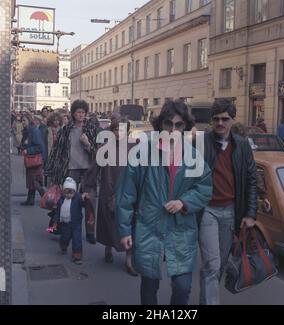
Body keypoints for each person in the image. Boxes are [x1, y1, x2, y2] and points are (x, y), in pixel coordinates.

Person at [116, 100, 213, 305]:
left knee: (182, 287)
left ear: (185, 126)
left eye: (179, 125)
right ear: (161, 125)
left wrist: (184, 202)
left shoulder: (194, 156)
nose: (173, 130)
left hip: (181, 229)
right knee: (149, 285)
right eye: (169, 124)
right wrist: (124, 230)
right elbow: (126, 194)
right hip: (149, 226)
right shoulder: (142, 153)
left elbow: (204, 188)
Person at [199, 99, 257, 305]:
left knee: (219, 264)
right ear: (211, 121)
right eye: (216, 119)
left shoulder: (242, 145)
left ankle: (205, 298)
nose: (221, 123)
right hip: (207, 210)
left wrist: (250, 214)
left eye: (225, 119)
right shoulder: (201, 142)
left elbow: (251, 180)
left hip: (231, 211)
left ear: (233, 120)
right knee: (213, 265)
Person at [82, 115, 138, 276]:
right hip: (109, 189)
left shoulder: (134, 147)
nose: (118, 133)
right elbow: (94, 169)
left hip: (129, 192)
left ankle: (129, 259)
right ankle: (108, 248)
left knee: (130, 223)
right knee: (109, 223)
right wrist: (87, 187)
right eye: (115, 129)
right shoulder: (104, 148)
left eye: (122, 129)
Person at [46, 100, 97, 244]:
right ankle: (65, 228)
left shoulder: (91, 129)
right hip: (71, 169)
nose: (81, 115)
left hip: (88, 170)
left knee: (90, 201)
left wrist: (87, 144)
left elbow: (98, 152)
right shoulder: (66, 129)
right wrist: (53, 171)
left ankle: (90, 232)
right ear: (73, 114)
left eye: (83, 112)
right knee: (68, 200)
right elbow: (57, 151)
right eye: (78, 112)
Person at [52, 177, 91, 265]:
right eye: (66, 193)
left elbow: (83, 204)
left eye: (71, 193)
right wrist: (55, 222)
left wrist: (85, 198)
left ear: (75, 191)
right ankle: (63, 246)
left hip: (76, 224)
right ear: (63, 192)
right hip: (65, 223)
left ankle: (77, 256)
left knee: (77, 240)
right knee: (65, 237)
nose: (69, 195)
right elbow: (58, 212)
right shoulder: (61, 200)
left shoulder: (78, 198)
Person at [20, 113, 47, 206]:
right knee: (32, 180)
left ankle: (46, 198)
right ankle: (30, 199)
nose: (23, 122)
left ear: (29, 120)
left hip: (36, 159)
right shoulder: (27, 131)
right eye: (22, 120)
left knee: (34, 181)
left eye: (24, 120)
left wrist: (28, 150)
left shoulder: (33, 131)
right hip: (31, 160)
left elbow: (39, 146)